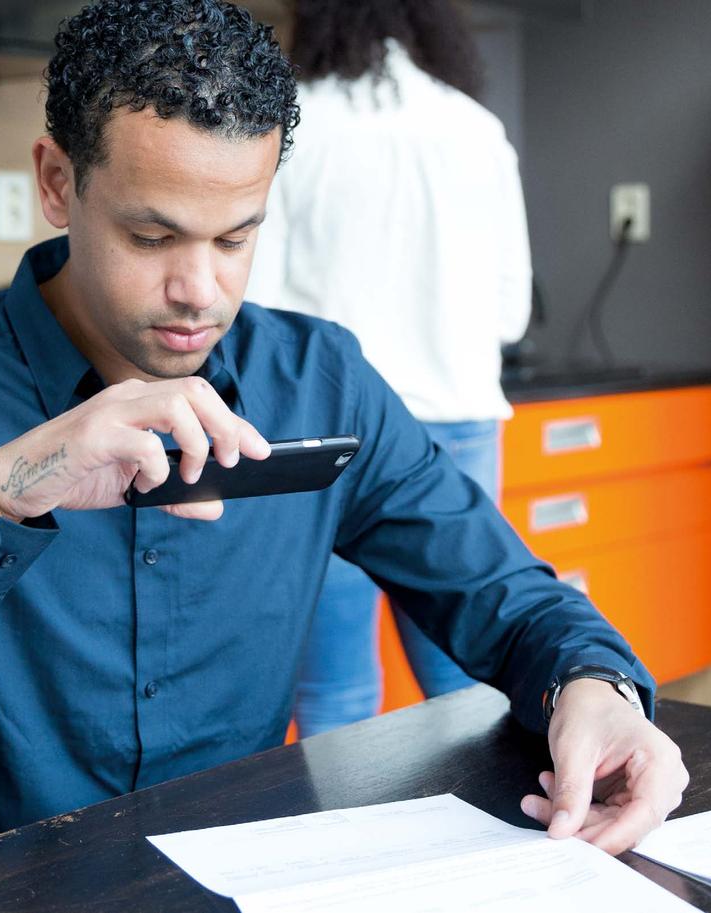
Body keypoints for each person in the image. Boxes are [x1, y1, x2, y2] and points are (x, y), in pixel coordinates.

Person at [0, 0, 685, 873]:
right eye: (151, 236)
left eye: (234, 237)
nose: (199, 291)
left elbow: (505, 595)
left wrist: (595, 685)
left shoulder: (319, 382)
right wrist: (2, 491)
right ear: (56, 181)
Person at [246, 0, 532, 734]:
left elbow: (258, 302)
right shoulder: (477, 129)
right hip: (460, 424)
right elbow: (511, 314)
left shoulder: (293, 126)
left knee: (334, 694)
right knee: (471, 685)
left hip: (333, 432)